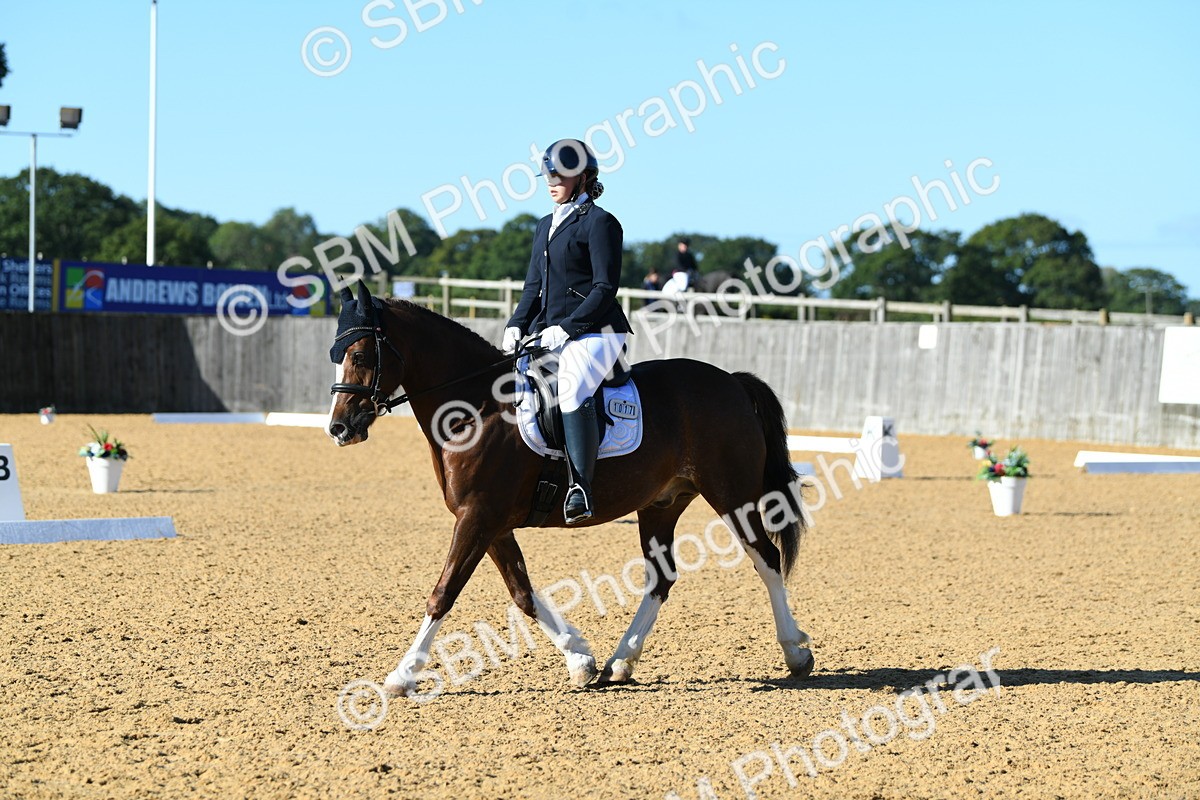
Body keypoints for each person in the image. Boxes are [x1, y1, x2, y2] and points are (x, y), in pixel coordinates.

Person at [501, 139, 631, 525]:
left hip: (598, 331)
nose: (551, 181)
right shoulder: (545, 225)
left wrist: (568, 328)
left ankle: (581, 488)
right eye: (548, 174)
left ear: (584, 178)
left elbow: (605, 288)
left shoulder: (601, 223)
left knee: (571, 385)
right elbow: (532, 288)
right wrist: (515, 324)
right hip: (549, 331)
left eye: (560, 175)